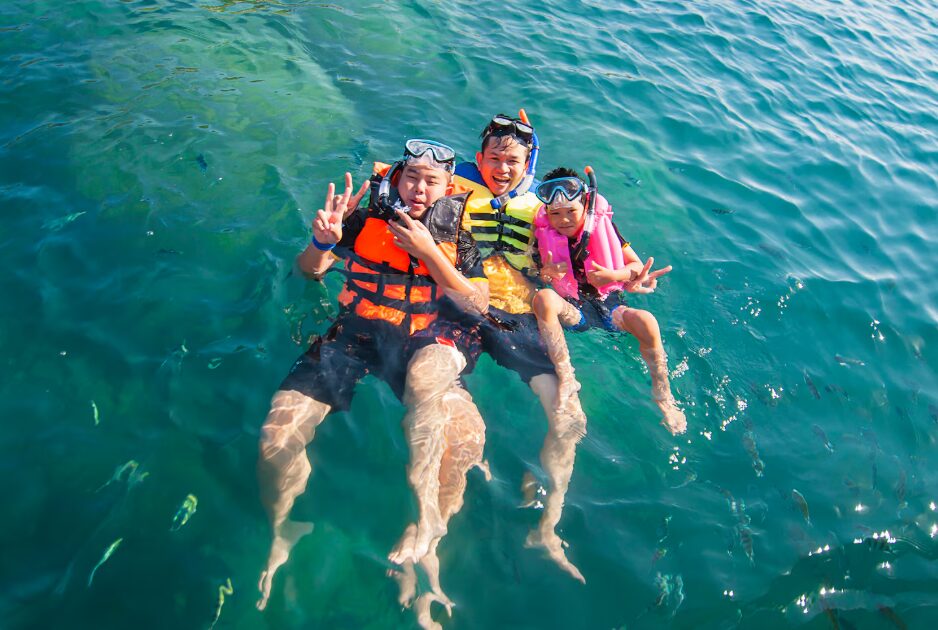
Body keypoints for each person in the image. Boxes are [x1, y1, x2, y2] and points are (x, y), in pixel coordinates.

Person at [256, 139, 490, 613]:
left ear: (448, 188)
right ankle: (281, 530)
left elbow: (477, 305)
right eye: (411, 177)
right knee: (274, 440)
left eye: (431, 181)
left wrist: (430, 252)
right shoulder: (363, 221)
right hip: (355, 334)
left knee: (466, 441)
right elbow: (309, 274)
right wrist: (322, 242)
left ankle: (428, 534)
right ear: (397, 179)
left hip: (425, 342)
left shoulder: (460, 239)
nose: (419, 188)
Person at [449, 113, 589, 583]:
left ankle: (547, 526)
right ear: (479, 159)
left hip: (518, 316)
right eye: (494, 159)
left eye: (513, 161)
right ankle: (447, 510)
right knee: (442, 398)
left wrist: (625, 276)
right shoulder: (453, 188)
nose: (503, 169)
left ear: (527, 164)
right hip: (464, 310)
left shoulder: (545, 207)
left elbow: (590, 252)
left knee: (570, 418)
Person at [532, 166, 687, 434]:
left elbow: (636, 266)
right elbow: (538, 274)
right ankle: (567, 378)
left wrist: (615, 275)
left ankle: (664, 395)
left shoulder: (604, 227)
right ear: (547, 213)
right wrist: (546, 273)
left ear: (586, 206)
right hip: (573, 310)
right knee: (544, 298)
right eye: (555, 214)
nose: (563, 220)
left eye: (571, 211)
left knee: (647, 320)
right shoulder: (542, 233)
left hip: (610, 305)